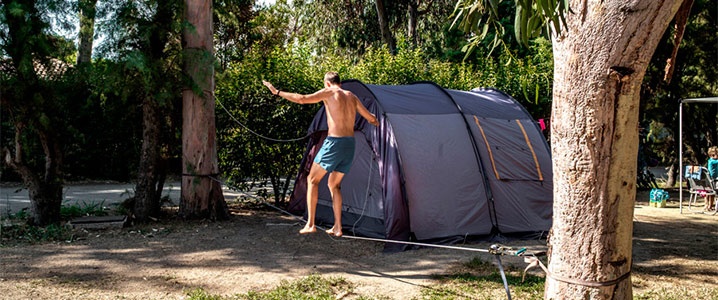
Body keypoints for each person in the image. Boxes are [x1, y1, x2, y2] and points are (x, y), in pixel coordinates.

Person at [262, 72, 378, 236]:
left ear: (328, 83)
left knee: (312, 179)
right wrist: (377, 121)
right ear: (340, 82)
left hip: (335, 143)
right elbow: (371, 118)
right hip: (349, 145)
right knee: (333, 184)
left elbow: (302, 98)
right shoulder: (351, 96)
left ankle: (310, 224)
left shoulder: (329, 92)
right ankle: (338, 227)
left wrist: (277, 92)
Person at [706, 146, 718, 211]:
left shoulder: (710, 160)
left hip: (710, 179)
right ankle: (710, 206)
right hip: (712, 179)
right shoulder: (713, 161)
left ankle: (706, 205)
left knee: (708, 193)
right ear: (712, 155)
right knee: (713, 193)